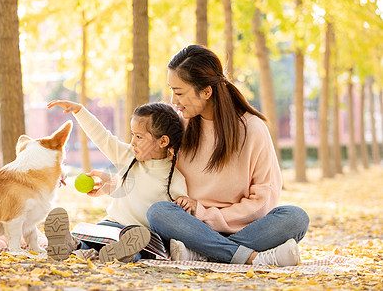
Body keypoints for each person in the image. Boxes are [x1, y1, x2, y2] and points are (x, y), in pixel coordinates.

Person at [145, 44, 310, 266]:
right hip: (190, 228)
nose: (173, 101)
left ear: (206, 91)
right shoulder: (178, 127)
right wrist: (111, 180)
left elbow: (264, 199)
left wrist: (206, 214)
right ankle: (248, 257)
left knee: (295, 218)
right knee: (158, 212)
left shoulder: (252, 128)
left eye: (179, 92)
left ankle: (203, 254)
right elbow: (148, 165)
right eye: (171, 91)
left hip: (243, 229)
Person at [45, 100, 188, 262]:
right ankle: (72, 245)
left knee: (137, 248)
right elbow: (102, 137)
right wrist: (79, 111)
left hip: (140, 235)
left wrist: (186, 203)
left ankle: (117, 253)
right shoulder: (129, 156)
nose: (133, 141)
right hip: (111, 225)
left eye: (139, 137)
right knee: (93, 236)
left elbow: (178, 218)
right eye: (132, 135)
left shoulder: (175, 179)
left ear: (163, 142)